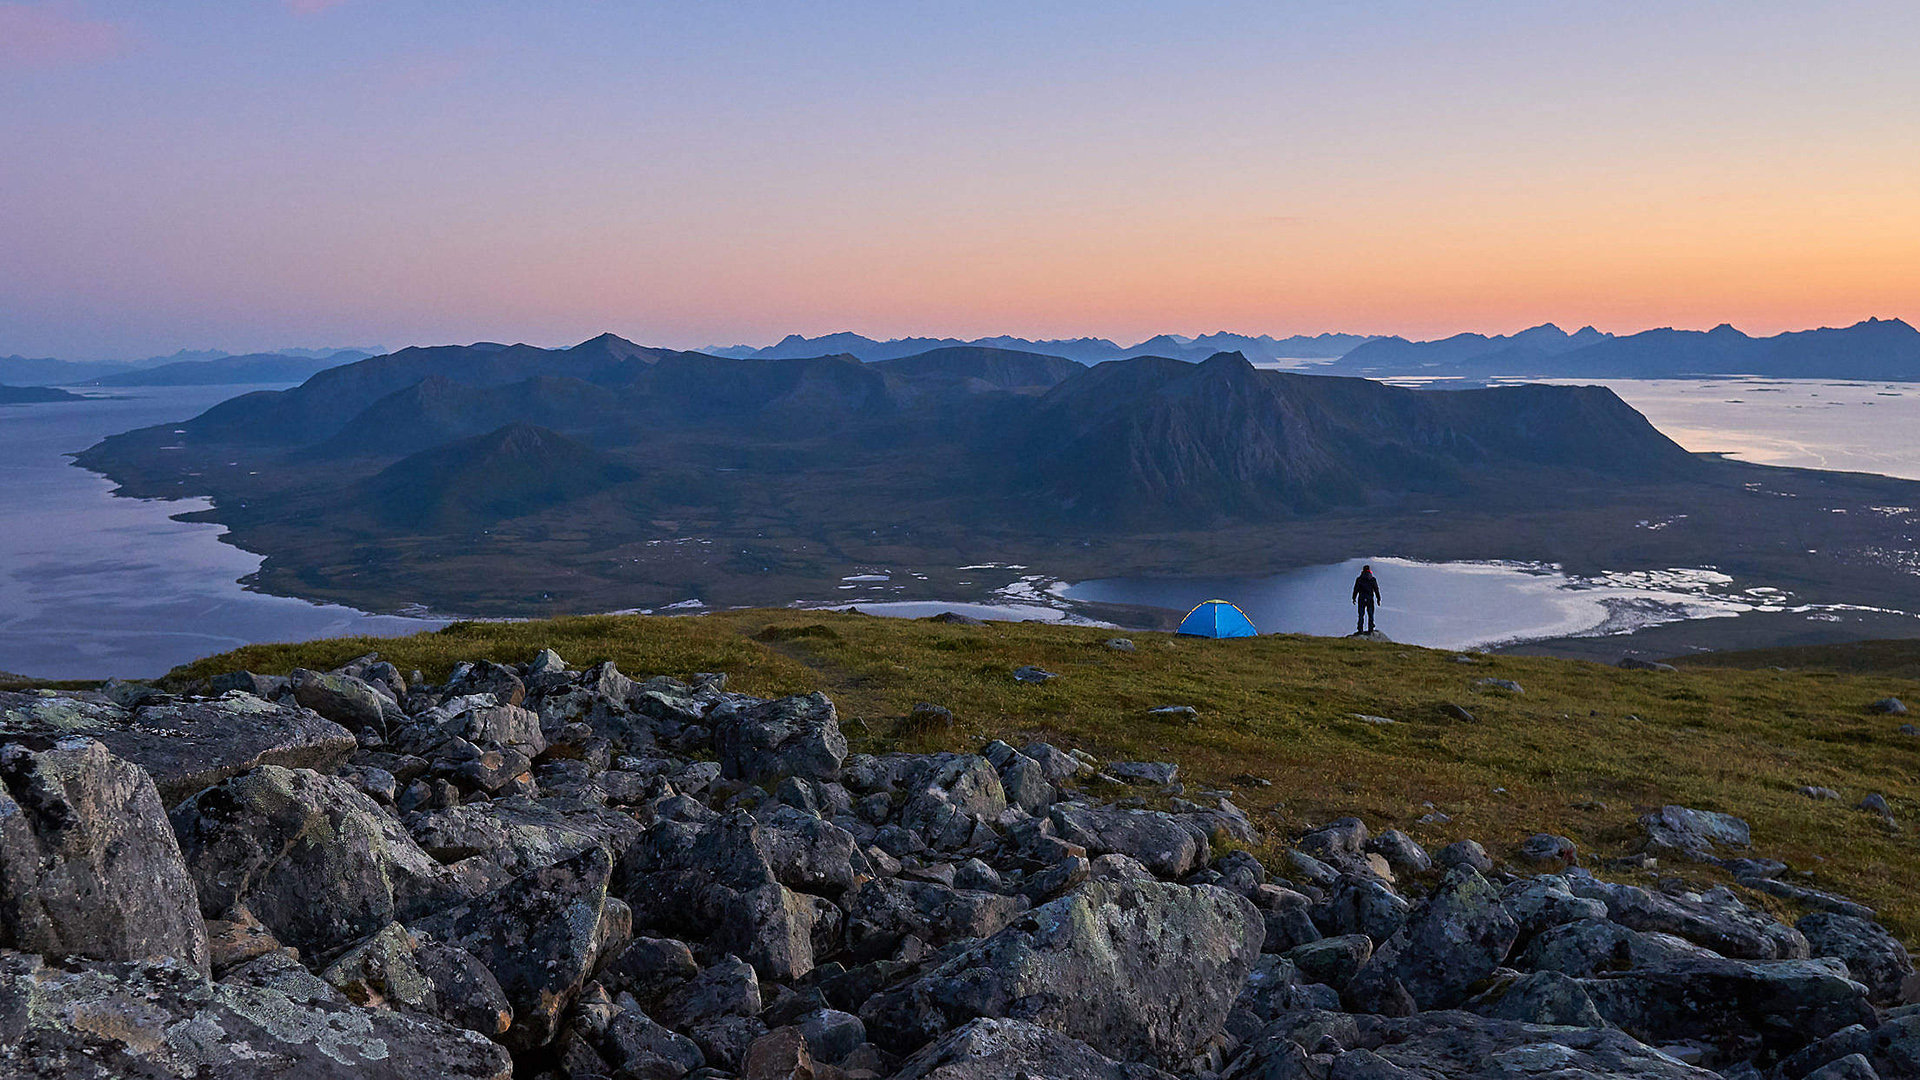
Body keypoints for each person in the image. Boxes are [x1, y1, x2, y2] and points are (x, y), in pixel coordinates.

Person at [1352, 564, 1381, 633]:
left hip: (1361, 598)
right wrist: (1378, 599)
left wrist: (1354, 598)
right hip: (1370, 599)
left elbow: (1356, 589)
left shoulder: (1359, 579)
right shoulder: (1372, 579)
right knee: (1370, 614)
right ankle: (1370, 628)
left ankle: (1360, 629)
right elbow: (1376, 589)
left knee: (1361, 614)